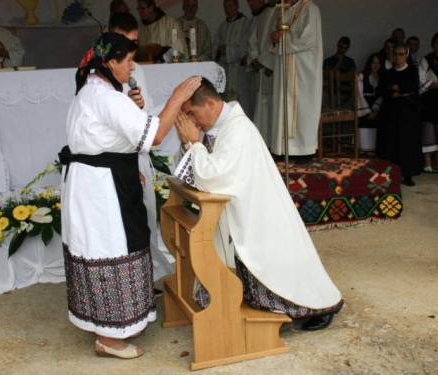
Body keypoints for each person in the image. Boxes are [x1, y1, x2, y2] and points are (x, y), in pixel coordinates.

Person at [60, 31, 201, 359]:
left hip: (100, 178)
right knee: (112, 248)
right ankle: (110, 338)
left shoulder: (98, 89)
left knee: (108, 247)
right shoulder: (103, 95)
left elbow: (107, 137)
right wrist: (177, 97)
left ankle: (106, 326)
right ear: (109, 62)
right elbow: (153, 135)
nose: (132, 67)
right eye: (127, 61)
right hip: (100, 189)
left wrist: (124, 160)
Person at [174, 78, 343, 331]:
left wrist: (193, 143)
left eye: (191, 113)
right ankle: (265, 305)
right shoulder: (221, 126)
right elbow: (202, 170)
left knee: (277, 266)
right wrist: (191, 142)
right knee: (261, 266)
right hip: (248, 209)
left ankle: (321, 305)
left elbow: (213, 176)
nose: (191, 121)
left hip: (261, 213)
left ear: (210, 103)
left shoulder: (237, 129)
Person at [108, 12, 173, 283]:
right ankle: (124, 278)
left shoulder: (138, 69)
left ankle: (147, 274)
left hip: (137, 150)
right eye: (124, 42)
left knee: (145, 215)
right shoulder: (98, 73)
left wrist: (138, 107)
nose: (130, 50)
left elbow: (145, 111)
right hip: (115, 156)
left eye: (134, 42)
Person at [269, 0, 323, 162]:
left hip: (303, 70)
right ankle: (283, 148)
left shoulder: (310, 9)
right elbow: (278, 39)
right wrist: (275, 38)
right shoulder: (284, 11)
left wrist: (283, 40)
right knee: (283, 105)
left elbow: (309, 39)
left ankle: (303, 150)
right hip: (285, 68)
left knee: (303, 109)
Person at [377, 44, 422, 186]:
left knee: (407, 144)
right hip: (390, 113)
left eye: (401, 54)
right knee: (391, 143)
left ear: (406, 55)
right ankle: (391, 173)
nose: (398, 57)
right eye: (396, 54)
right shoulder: (388, 73)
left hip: (408, 114)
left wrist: (398, 89)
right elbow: (383, 90)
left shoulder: (412, 71)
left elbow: (413, 88)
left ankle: (407, 174)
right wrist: (398, 91)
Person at [246, 0, 277, 147]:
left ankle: (275, 145)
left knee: (274, 108)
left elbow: (278, 42)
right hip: (262, 68)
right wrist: (254, 59)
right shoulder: (260, 16)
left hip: (274, 69)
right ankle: (264, 145)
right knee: (263, 109)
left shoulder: (283, 12)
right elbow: (252, 40)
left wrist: (265, 61)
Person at [213, 0, 251, 113]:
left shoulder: (245, 23)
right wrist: (218, 49)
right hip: (226, 71)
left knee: (242, 103)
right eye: (225, 6)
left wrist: (227, 50)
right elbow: (215, 46)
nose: (227, 9)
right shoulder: (222, 26)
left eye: (230, 6)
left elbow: (245, 47)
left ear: (237, 6)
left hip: (240, 71)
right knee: (227, 103)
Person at [419, 32, 438, 172]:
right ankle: (428, 163)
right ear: (433, 45)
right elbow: (422, 79)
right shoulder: (426, 60)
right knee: (428, 130)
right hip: (429, 99)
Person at [357, 53, 383, 155]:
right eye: (373, 62)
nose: (375, 65)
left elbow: (383, 95)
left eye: (378, 63)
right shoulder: (362, 76)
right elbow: (359, 94)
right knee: (364, 120)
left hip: (377, 106)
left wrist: (375, 110)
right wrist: (368, 111)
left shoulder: (383, 78)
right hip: (364, 106)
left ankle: (375, 149)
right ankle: (364, 148)